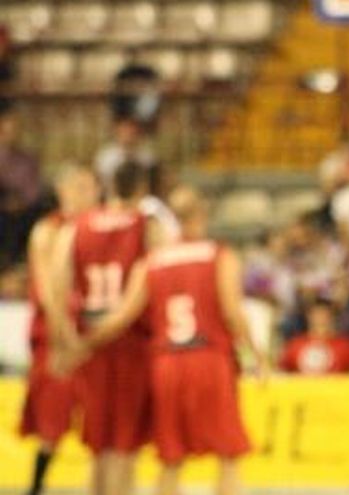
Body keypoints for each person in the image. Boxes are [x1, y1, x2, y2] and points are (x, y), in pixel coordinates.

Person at [68, 186, 268, 495]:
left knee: (171, 458)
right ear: (202, 215)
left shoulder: (151, 261)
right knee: (228, 455)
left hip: (166, 364)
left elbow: (122, 317)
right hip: (209, 357)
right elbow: (233, 314)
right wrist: (256, 357)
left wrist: (80, 344)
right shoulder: (219, 255)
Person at [52, 163, 163, 495]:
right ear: (142, 190)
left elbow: (56, 288)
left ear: (109, 187)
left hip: (89, 338)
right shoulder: (147, 225)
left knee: (99, 446)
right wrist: (91, 341)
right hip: (132, 343)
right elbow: (145, 292)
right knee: (124, 448)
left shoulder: (75, 227)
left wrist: (69, 341)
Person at [19, 165, 99, 495]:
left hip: (94, 334)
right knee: (51, 420)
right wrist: (63, 336)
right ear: (62, 190)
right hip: (56, 334)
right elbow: (47, 289)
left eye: (91, 186)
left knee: (102, 422)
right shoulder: (48, 230)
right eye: (80, 186)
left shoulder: (98, 226)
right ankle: (36, 486)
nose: (89, 193)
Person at [0, 107, 48, 269]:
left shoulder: (28, 159)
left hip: (23, 212)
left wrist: (19, 202)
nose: (11, 133)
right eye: (6, 129)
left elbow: (33, 192)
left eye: (15, 129)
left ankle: (19, 265)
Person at [280, 299, 349, 374]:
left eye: (325, 315)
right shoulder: (295, 345)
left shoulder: (348, 346)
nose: (321, 318)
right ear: (309, 317)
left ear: (333, 317)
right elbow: (282, 373)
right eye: (317, 314)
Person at [94, 117, 156, 195]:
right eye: (125, 130)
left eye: (132, 131)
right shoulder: (105, 157)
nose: (128, 134)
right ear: (117, 131)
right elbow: (100, 183)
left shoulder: (148, 158)